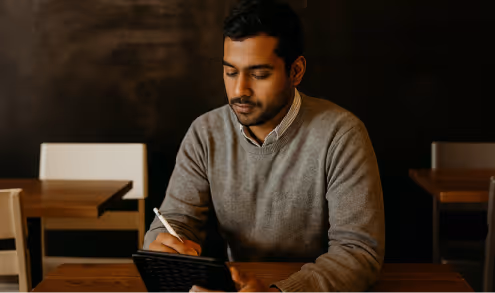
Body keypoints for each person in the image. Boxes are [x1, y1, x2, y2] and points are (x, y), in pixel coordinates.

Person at [143, 0, 385, 292]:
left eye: (259, 74)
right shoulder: (205, 133)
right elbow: (174, 222)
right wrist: (162, 248)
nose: (239, 90)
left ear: (296, 71)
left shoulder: (341, 135)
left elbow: (358, 252)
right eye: (230, 72)